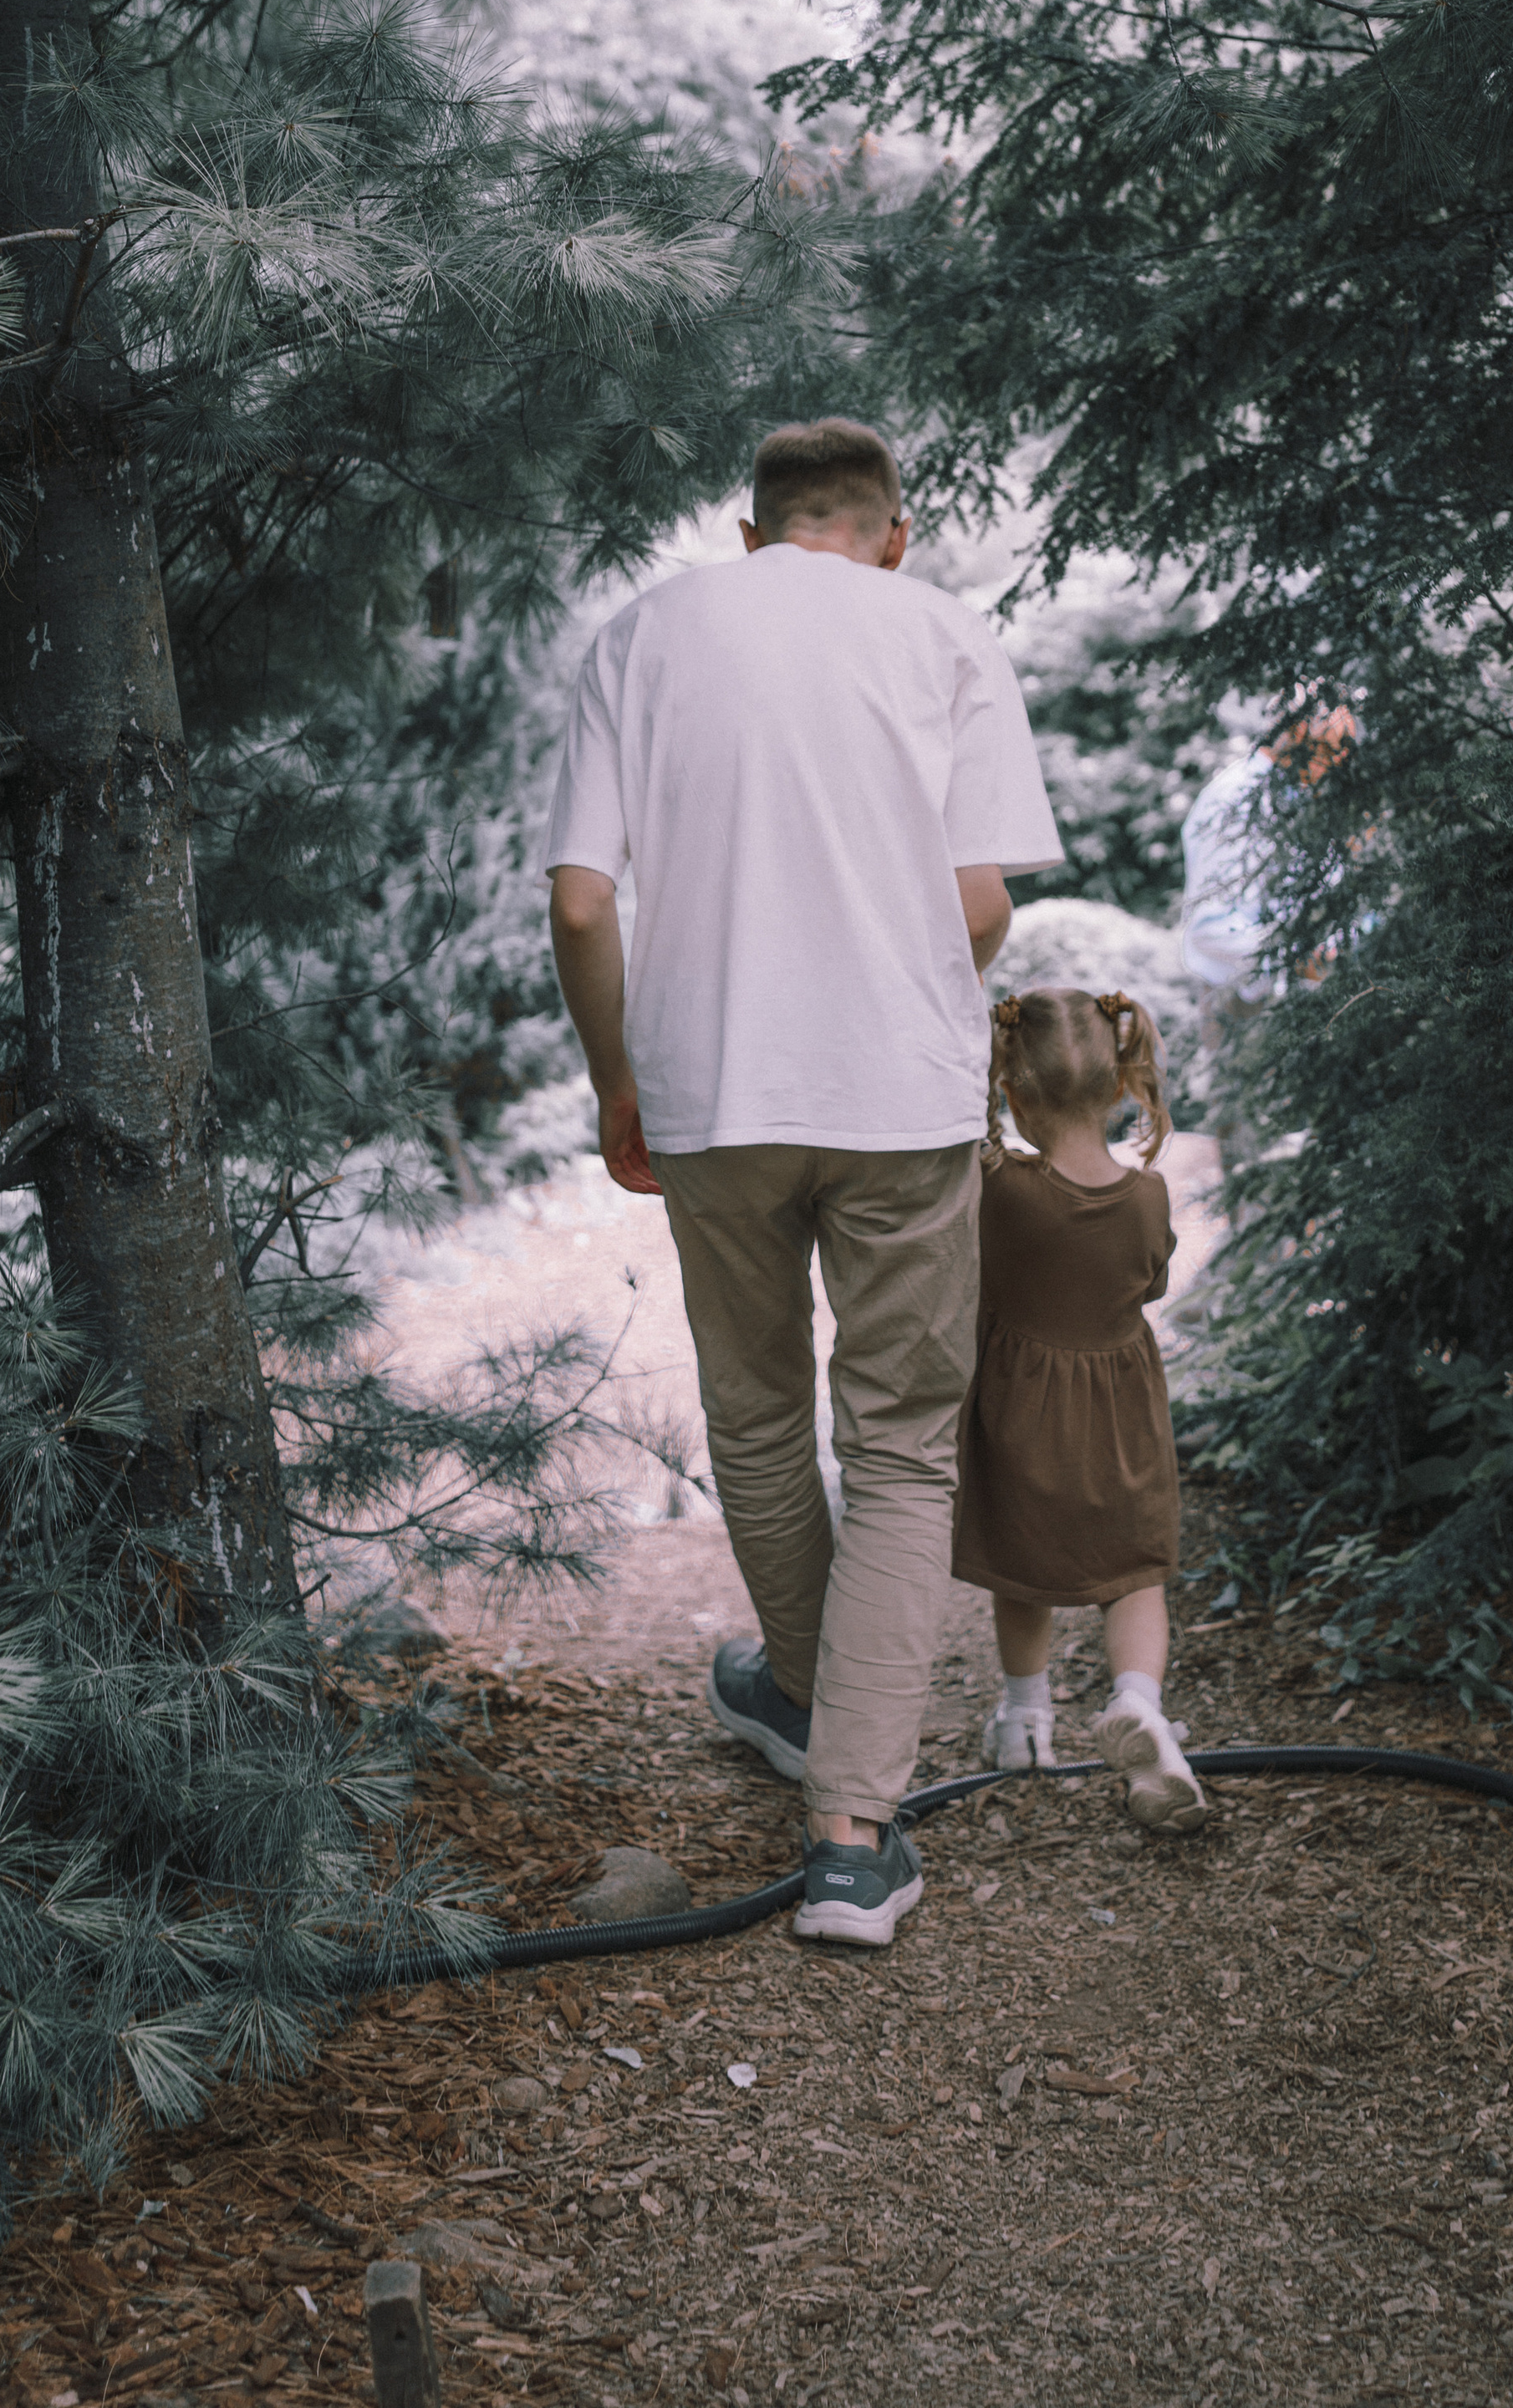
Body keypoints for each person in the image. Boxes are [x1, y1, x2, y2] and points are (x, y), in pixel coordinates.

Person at [543, 419, 1062, 1945]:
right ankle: (851, 1835)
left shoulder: (643, 635)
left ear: (752, 530)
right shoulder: (943, 631)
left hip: (713, 1095)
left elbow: (583, 906)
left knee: (761, 1416)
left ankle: (802, 1688)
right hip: (897, 1097)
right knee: (901, 1442)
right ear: (893, 534)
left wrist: (618, 1081)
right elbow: (978, 903)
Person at [952, 985, 1207, 1830]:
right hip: (1121, 1415)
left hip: (1021, 1415)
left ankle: (1026, 1718)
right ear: (1125, 1083)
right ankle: (1138, 1701)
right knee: (1133, 1573)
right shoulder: (1147, 1197)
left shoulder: (1000, 1187)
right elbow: (1151, 1281)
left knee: (1020, 1568)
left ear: (1010, 1092)